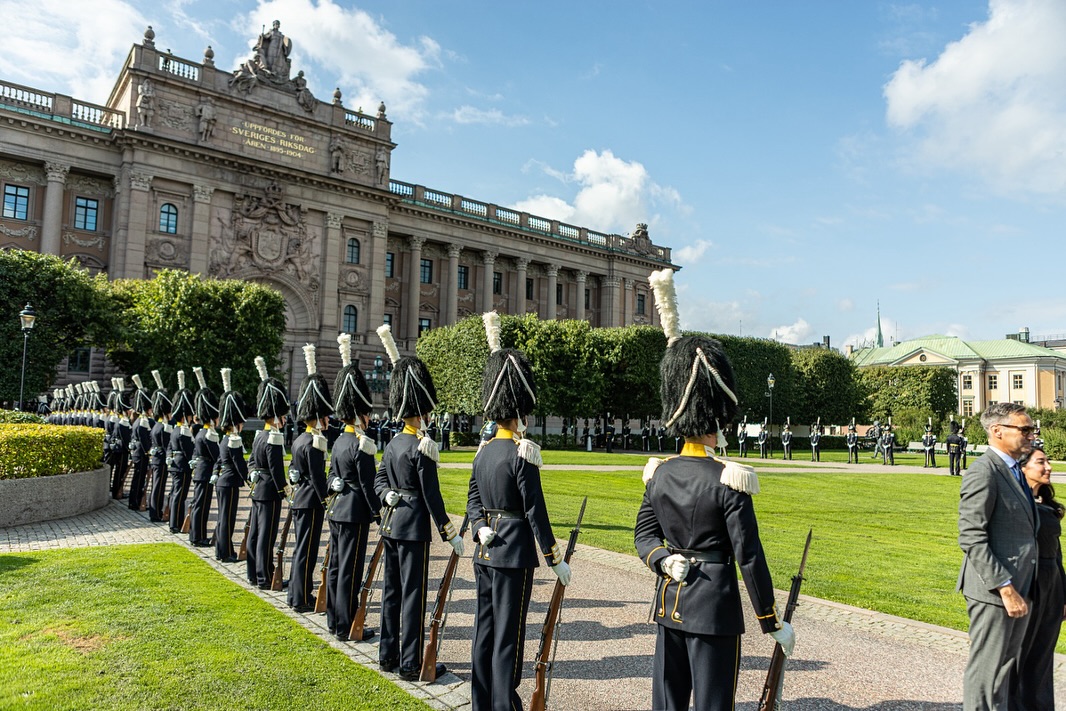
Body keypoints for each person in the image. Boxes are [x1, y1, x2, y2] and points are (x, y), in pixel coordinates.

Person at [636, 268, 794, 710]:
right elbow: (749, 556)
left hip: (670, 599)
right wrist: (770, 620)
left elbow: (644, 536)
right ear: (718, 417)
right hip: (714, 608)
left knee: (668, 702)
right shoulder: (730, 478)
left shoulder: (660, 472)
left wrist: (664, 560)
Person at [467, 311, 571, 710]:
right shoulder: (521, 453)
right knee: (508, 636)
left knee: (485, 630)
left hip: (485, 548)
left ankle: (482, 701)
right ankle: (502, 703)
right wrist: (552, 556)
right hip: (513, 553)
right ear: (520, 413)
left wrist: (478, 527)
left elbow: (473, 499)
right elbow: (534, 510)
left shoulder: (483, 453)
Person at [374, 323, 463, 680]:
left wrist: (387, 496)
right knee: (412, 597)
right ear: (422, 412)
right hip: (412, 528)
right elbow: (432, 494)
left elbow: (380, 479)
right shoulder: (423, 446)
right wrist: (448, 531)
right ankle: (410, 663)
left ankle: (387, 655)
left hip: (391, 522)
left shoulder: (395, 442)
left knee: (391, 593)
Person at [958, 402, 1039, 710]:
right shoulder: (984, 471)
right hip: (996, 591)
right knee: (986, 670)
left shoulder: (1014, 470)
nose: (1031, 436)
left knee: (1004, 669)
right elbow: (971, 536)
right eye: (1025, 430)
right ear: (997, 431)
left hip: (1020, 586)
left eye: (1032, 430)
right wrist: (1005, 588)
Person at [325, 334, 382, 642]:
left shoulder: (339, 441)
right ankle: (346, 623)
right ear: (360, 413)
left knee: (336, 566)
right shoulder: (362, 444)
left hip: (337, 508)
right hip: (354, 512)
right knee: (349, 569)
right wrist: (378, 513)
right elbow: (367, 482)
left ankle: (335, 620)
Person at [1016, 446, 1065, 710]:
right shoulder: (1015, 502)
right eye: (1041, 462)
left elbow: (1057, 554)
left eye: (1048, 461)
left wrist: (1064, 595)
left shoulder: (1047, 504)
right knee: (1022, 654)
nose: (1049, 467)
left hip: (1052, 584)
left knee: (1044, 656)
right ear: (1022, 468)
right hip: (1027, 583)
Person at [288, 344, 333, 612]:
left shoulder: (300, 438)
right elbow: (318, 478)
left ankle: (296, 594)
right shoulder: (315, 442)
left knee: (300, 549)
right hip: (310, 502)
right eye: (325, 415)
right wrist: (327, 500)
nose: (328, 419)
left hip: (299, 499)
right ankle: (301, 597)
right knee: (306, 552)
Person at [246, 357, 290, 589]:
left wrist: (254, 475)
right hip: (270, 491)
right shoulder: (273, 437)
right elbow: (276, 468)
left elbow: (252, 462)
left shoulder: (259, 435)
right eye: (282, 417)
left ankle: (253, 573)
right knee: (266, 535)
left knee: (255, 532)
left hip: (257, 489)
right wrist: (284, 488)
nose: (284, 421)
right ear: (276, 416)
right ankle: (265, 576)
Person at [214, 368, 248, 563]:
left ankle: (222, 551)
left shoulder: (225, 439)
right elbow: (239, 464)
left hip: (223, 481)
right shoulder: (233, 440)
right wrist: (248, 479)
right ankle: (226, 553)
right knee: (227, 519)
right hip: (229, 482)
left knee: (223, 518)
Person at [188, 367, 220, 548]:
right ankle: (197, 537)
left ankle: (197, 535)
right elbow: (216, 456)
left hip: (200, 471)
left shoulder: (202, 432)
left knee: (200, 505)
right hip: (205, 472)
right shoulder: (209, 434)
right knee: (201, 506)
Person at [167, 372, 196, 534]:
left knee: (176, 494)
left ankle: (173, 521)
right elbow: (189, 451)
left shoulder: (176, 428)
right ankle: (175, 523)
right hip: (182, 466)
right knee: (180, 495)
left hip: (175, 464)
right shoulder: (184, 431)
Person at [147, 370, 173, 523]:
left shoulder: (157, 424)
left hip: (156, 458)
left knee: (156, 485)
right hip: (161, 458)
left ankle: (155, 511)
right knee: (158, 487)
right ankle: (155, 513)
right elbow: (166, 444)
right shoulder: (163, 426)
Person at [127, 375, 154, 511]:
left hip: (138, 451)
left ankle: (134, 501)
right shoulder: (143, 421)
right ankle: (135, 502)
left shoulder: (139, 420)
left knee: (139, 478)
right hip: (141, 452)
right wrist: (149, 453)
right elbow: (145, 441)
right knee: (139, 479)